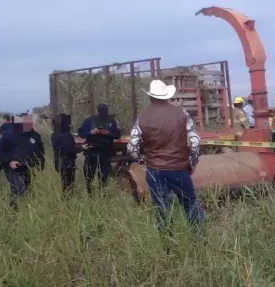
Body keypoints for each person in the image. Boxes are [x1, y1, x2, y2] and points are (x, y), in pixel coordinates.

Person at [127, 79, 202, 228]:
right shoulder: (181, 112)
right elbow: (195, 141)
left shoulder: (142, 118)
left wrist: (142, 160)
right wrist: (192, 161)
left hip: (155, 170)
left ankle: (167, 243)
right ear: (167, 96)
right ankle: (199, 237)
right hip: (180, 168)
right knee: (190, 203)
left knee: (161, 207)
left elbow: (132, 147)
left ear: (150, 97)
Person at [0, 114, 45, 209]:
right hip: (12, 167)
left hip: (28, 167)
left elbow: (40, 151)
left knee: (27, 189)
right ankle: (14, 211)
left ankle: (26, 209)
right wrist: (9, 161)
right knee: (17, 188)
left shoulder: (35, 136)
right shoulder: (7, 134)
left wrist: (41, 165)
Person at [77, 103, 121, 194]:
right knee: (89, 175)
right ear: (98, 111)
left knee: (104, 176)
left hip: (105, 152)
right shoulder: (89, 121)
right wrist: (91, 132)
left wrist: (108, 133)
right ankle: (89, 193)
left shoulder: (111, 122)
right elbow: (81, 133)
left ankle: (102, 194)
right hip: (91, 152)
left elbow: (117, 135)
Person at [51, 113, 80, 194]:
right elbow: (69, 149)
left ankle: (66, 198)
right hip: (67, 161)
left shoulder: (54, 134)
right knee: (69, 183)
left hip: (59, 160)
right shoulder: (65, 135)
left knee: (64, 181)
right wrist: (81, 148)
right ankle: (68, 199)